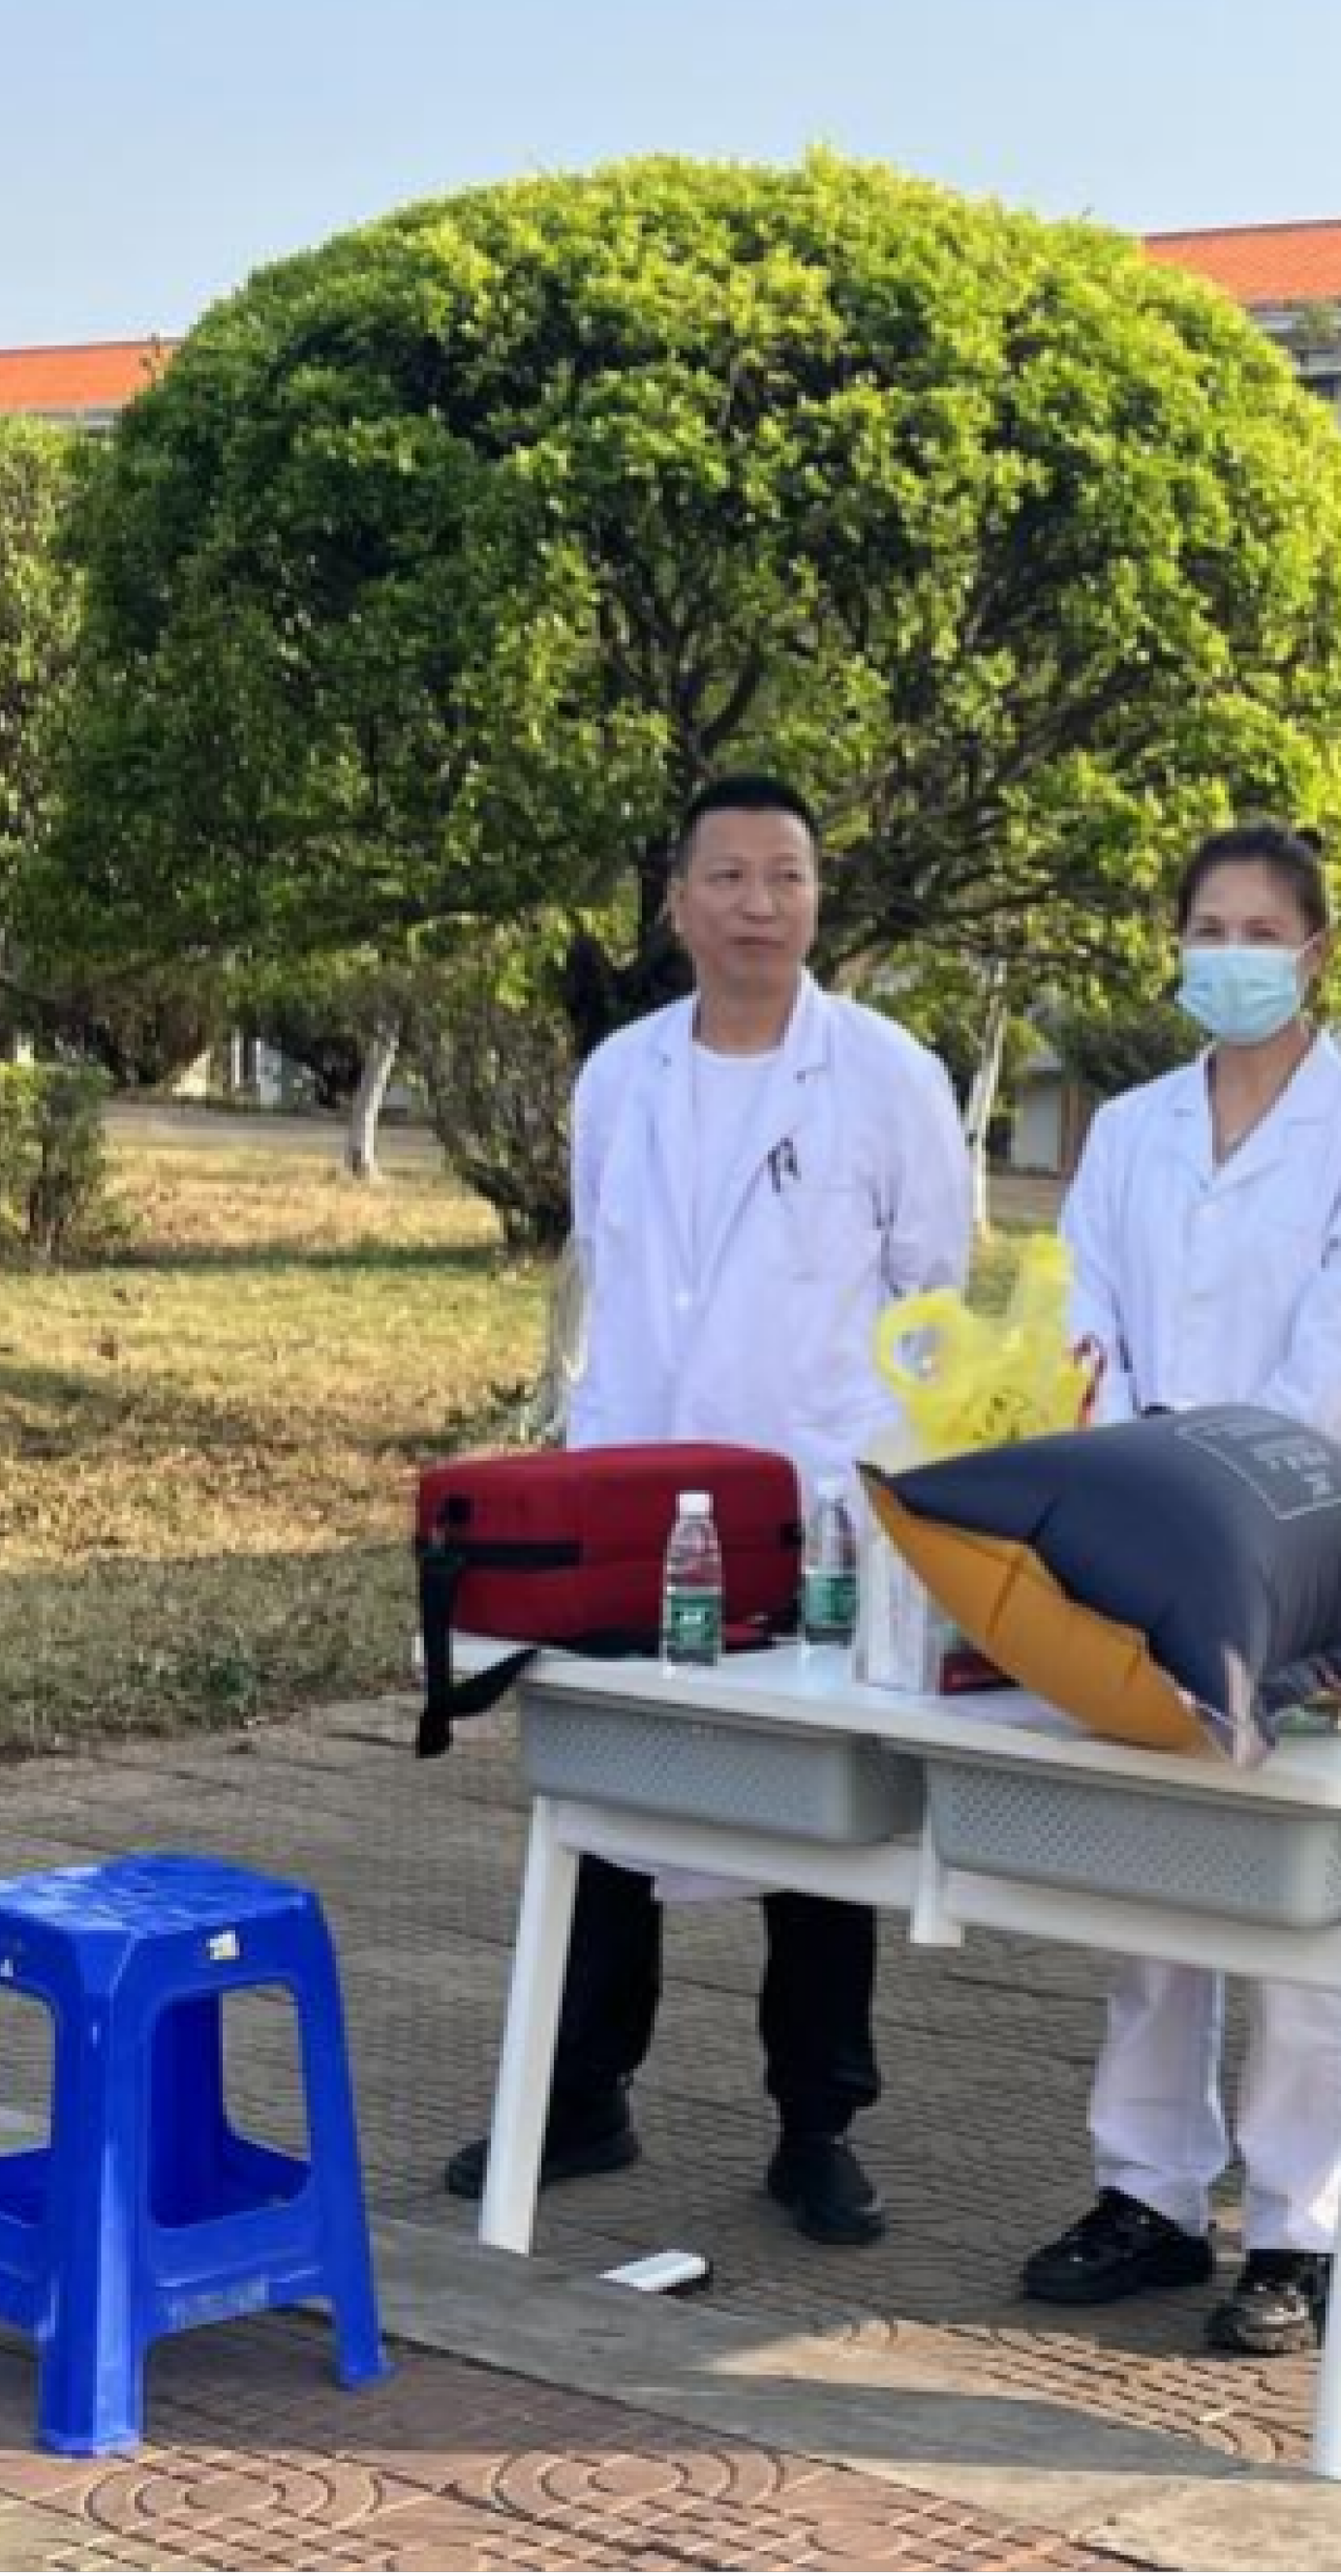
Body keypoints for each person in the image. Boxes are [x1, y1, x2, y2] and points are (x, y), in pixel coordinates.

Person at [443, 773, 973, 2243]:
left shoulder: (887, 1076)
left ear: (818, 899)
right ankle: (578, 2098)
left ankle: (817, 2124)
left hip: (809, 1500)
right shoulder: (621, 1075)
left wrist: (889, 1487)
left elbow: (932, 1296)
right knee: (608, 1786)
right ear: (677, 903)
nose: (758, 905)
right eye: (728, 877)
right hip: (631, 1488)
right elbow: (603, 1274)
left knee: (819, 1820)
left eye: (785, 876)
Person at [1019, 822, 1341, 2356]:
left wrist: (1202, 1489)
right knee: (1153, 1895)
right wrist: (1131, 1465)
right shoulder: (1130, 1129)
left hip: (1318, 1552)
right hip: (1148, 1544)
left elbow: (1330, 1358)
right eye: (1210, 926)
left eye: (1264, 932)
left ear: (1315, 955)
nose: (1234, 954)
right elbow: (1081, 1314)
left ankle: (1297, 2232)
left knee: (1308, 1917)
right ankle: (1145, 2192)